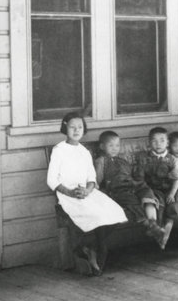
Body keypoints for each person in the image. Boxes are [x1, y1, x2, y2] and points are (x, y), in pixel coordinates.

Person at [47, 112, 127, 275]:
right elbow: (52, 180)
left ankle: (90, 247)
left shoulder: (84, 151)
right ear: (64, 128)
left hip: (87, 192)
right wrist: (70, 192)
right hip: (69, 194)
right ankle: (98, 250)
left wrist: (88, 190)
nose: (76, 130)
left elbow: (91, 177)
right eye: (72, 127)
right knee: (96, 216)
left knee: (116, 213)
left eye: (80, 127)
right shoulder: (59, 150)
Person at [94, 130, 167, 248]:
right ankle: (149, 225)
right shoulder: (101, 161)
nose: (114, 148)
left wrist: (139, 176)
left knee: (147, 191)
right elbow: (97, 180)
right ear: (102, 146)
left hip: (132, 185)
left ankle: (153, 223)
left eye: (117, 145)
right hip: (117, 189)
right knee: (132, 200)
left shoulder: (122, 160)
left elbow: (132, 174)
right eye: (110, 145)